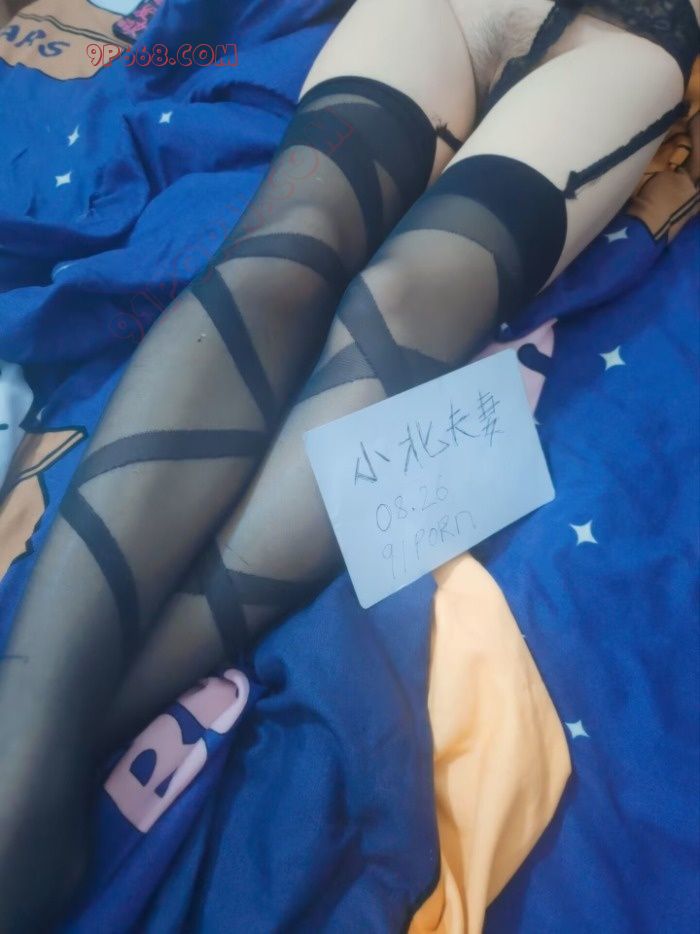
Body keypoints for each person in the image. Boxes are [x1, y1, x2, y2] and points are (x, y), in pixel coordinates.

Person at [1, 0, 698, 927]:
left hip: (622, 28)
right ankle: (32, 727)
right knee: (286, 242)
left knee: (406, 297)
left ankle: (47, 743)